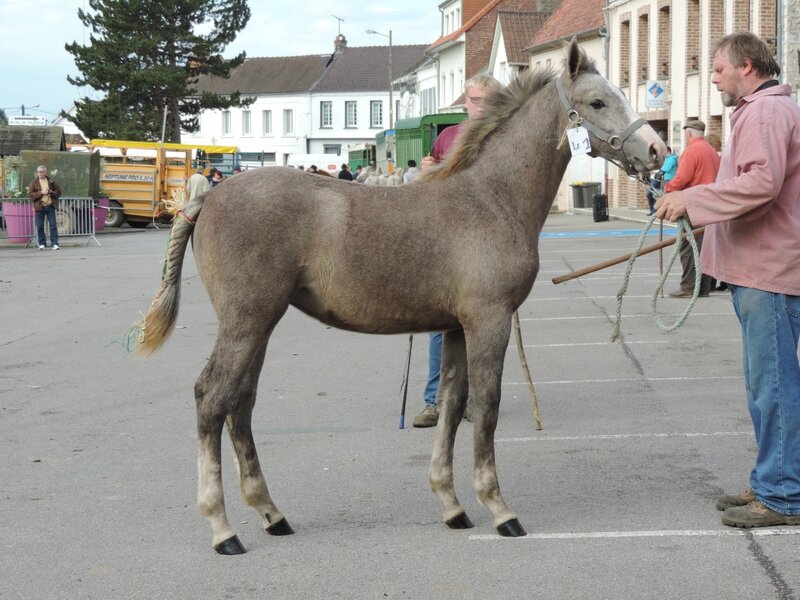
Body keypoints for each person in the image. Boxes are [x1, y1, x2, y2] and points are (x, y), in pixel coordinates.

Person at [656, 32, 800, 528]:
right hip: (762, 269)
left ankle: (782, 494)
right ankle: (773, 478)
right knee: (767, 384)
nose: (713, 76)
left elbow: (762, 184)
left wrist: (692, 201)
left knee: (774, 385)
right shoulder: (761, 110)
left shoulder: (763, 112)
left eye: (717, 69)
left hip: (769, 270)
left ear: (745, 65)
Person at [413, 73, 503, 428]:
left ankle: (472, 398)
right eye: (475, 100)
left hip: (486, 243)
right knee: (440, 324)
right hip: (445, 241)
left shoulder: (502, 138)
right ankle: (434, 400)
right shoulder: (447, 137)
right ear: (466, 102)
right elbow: (430, 184)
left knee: (483, 327)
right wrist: (427, 173)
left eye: (487, 100)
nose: (480, 107)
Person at [663, 120, 720, 298]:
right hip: (711, 203)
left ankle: (688, 287)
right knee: (705, 247)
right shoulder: (711, 151)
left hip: (693, 203)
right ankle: (703, 288)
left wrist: (667, 188)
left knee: (688, 246)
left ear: (688, 134)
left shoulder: (691, 151)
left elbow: (682, 179)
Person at [28, 165, 62, 250]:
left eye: (41, 172)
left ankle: (55, 244)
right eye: (38, 172)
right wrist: (41, 193)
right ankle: (42, 243)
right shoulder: (34, 182)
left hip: (50, 206)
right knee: (39, 226)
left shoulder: (51, 181)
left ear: (45, 172)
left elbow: (59, 192)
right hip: (39, 207)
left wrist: (51, 192)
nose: (39, 173)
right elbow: (31, 194)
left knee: (53, 225)